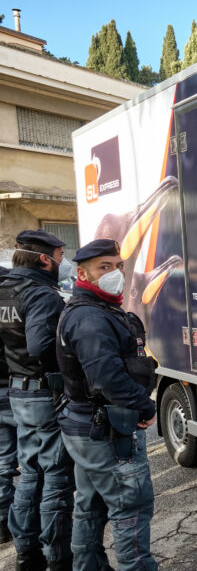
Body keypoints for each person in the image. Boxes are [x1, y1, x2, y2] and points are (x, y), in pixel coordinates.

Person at [56, 239, 158, 571]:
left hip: (85, 427)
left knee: (90, 505)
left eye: (118, 266)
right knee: (131, 508)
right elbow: (107, 378)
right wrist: (145, 406)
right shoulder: (89, 317)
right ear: (82, 273)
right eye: (105, 267)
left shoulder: (93, 310)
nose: (115, 273)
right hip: (105, 432)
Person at [0, 230, 75, 571]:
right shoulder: (42, 295)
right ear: (44, 259)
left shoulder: (5, 290)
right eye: (60, 256)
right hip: (44, 392)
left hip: (18, 391)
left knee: (29, 474)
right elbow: (41, 346)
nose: (62, 263)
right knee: (55, 477)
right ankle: (57, 557)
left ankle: (26, 554)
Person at [0, 264, 15, 545]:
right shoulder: (12, 306)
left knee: (2, 460)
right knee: (34, 460)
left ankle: (3, 523)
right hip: (12, 388)